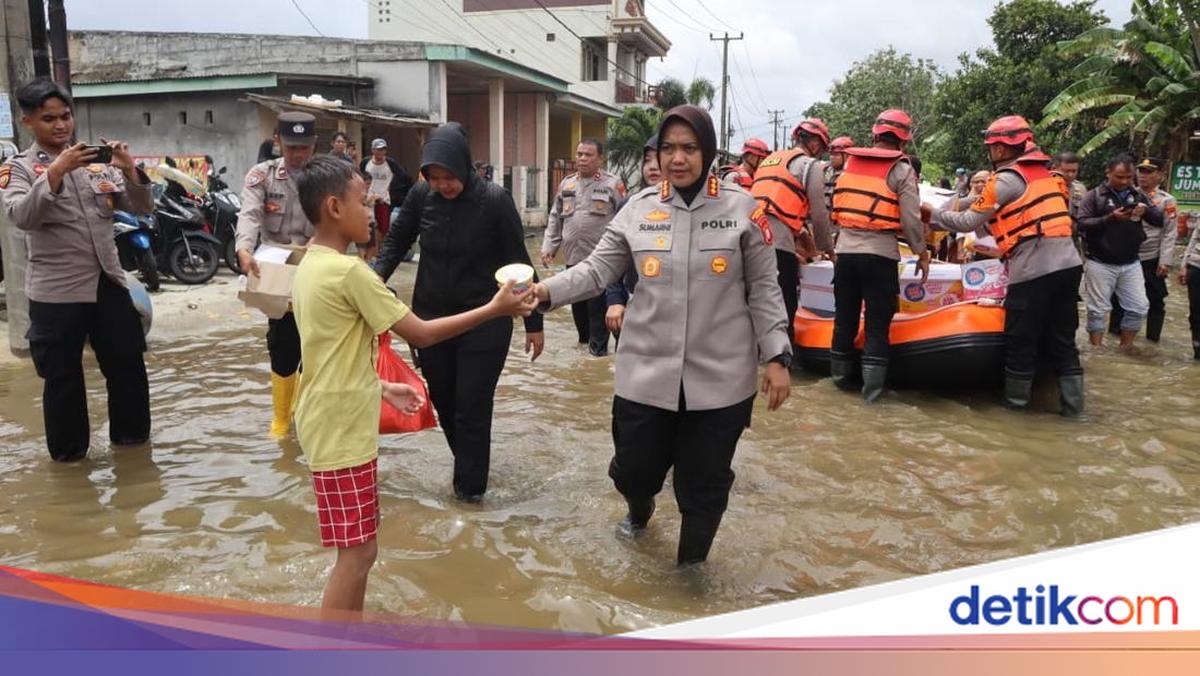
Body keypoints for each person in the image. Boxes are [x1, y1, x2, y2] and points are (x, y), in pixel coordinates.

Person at [530, 105, 792, 566]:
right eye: (668, 148)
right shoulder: (638, 209)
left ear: (708, 152)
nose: (678, 158)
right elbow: (596, 270)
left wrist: (776, 356)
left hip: (720, 382)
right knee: (633, 472)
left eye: (689, 148)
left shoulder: (744, 211)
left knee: (703, 488)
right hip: (645, 375)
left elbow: (765, 289)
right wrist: (544, 292)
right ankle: (639, 510)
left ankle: (691, 572)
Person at [290, 156, 535, 613]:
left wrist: (382, 388)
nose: (373, 211)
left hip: (328, 418)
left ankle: (349, 636)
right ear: (334, 208)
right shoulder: (349, 273)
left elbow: (328, 352)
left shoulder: (311, 264)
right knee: (357, 555)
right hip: (340, 429)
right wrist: (495, 309)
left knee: (361, 550)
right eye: (363, 202)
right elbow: (421, 334)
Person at [373, 124, 545, 503]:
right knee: (445, 402)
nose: (443, 186)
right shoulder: (421, 196)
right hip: (431, 323)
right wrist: (372, 282)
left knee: (472, 407)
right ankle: (470, 466)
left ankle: (469, 497)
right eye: (434, 178)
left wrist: (534, 322)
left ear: (465, 167)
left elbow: (519, 261)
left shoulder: (494, 201)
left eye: (449, 177)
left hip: (486, 319)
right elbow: (396, 242)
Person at [0, 78, 153, 462]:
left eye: (65, 116)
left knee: (129, 367)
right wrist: (54, 173)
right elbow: (22, 216)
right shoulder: (18, 168)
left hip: (108, 281)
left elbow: (140, 208)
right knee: (63, 380)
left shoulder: (95, 163)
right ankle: (70, 465)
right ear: (28, 121)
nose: (61, 125)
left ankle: (134, 455)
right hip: (56, 291)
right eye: (49, 118)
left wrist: (130, 170)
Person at [928, 116, 1084, 416]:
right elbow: (1015, 219)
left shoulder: (1004, 180)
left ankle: (1015, 410)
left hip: (1033, 269)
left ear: (999, 149)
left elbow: (967, 222)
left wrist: (932, 215)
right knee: (1064, 341)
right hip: (1070, 266)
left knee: (1021, 340)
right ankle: (1074, 411)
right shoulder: (1048, 176)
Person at [828, 109, 929, 403]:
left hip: (845, 253)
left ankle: (837, 391)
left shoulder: (850, 163)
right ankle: (871, 398)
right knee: (876, 327)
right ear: (904, 141)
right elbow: (911, 219)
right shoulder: (902, 169)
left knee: (843, 322)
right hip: (880, 256)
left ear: (875, 135)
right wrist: (921, 253)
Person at [235, 111, 319, 438]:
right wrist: (243, 249)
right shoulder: (263, 175)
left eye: (304, 147)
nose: (298, 154)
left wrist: (321, 238)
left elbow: (338, 212)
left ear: (314, 144)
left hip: (317, 265)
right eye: (292, 147)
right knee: (283, 343)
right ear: (278, 142)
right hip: (277, 271)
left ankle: (306, 413)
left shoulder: (325, 175)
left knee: (316, 341)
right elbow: (249, 215)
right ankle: (282, 418)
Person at [540, 138, 626, 357]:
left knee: (598, 320)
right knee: (580, 322)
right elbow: (555, 216)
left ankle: (598, 357)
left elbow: (625, 217)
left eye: (588, 155)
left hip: (601, 265)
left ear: (600, 159)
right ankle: (585, 363)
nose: (582, 159)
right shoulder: (567, 184)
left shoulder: (612, 184)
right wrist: (549, 246)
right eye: (579, 154)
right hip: (573, 261)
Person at [750, 118, 835, 331]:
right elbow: (819, 214)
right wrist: (829, 251)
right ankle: (783, 350)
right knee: (784, 307)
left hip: (748, 239)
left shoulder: (770, 160)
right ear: (815, 144)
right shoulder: (809, 166)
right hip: (777, 244)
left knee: (754, 304)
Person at [1078, 155, 1163, 348]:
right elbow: (1081, 224)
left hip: (1131, 262)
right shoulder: (1094, 196)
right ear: (1108, 173)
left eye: (1129, 177)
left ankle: (1126, 348)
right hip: (1099, 261)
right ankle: (1097, 350)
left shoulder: (1138, 196)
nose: (1124, 181)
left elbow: (1159, 220)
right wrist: (1110, 218)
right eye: (1119, 177)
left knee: (1139, 307)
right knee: (1098, 310)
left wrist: (1146, 212)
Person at [1109, 157, 1178, 342]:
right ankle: (1115, 340)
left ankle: (1152, 340)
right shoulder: (1127, 194)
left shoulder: (1167, 200)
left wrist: (1165, 261)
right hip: (1126, 255)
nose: (1143, 175)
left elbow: (1170, 232)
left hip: (1150, 257)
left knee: (1155, 299)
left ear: (1160, 175)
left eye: (1149, 172)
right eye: (1141, 171)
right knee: (1118, 299)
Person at [605, 133, 662, 338]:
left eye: (658, 159)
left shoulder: (697, 211)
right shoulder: (630, 205)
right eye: (647, 160)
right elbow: (611, 259)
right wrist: (614, 299)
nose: (652, 167)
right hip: (633, 304)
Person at [360, 138, 412, 244]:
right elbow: (360, 176)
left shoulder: (390, 163)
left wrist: (392, 189)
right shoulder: (366, 162)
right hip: (368, 200)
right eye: (378, 149)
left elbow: (404, 177)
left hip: (383, 200)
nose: (381, 152)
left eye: (383, 149)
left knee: (383, 229)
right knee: (369, 226)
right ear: (373, 150)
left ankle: (380, 249)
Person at [1051, 151, 1088, 256]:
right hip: (1052, 241)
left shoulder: (1080, 189)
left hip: (1073, 241)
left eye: (1074, 171)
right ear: (1054, 168)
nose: (1070, 175)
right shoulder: (1046, 187)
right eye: (1066, 171)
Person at [1180, 215, 1200, 360]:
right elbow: (1194, 239)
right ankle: (1197, 351)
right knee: (1196, 313)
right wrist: (1184, 266)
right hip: (1196, 266)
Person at [823, 136, 854, 213]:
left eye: (836, 154)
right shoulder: (825, 170)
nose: (832, 157)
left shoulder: (852, 175)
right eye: (831, 154)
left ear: (847, 156)